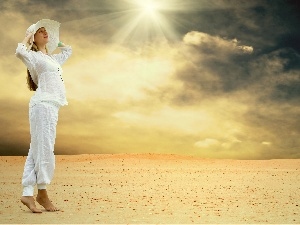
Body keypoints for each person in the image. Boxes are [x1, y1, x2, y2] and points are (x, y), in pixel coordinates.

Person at [15, 19, 72, 213]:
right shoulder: (34, 57)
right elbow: (19, 51)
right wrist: (27, 37)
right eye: (40, 32)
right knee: (45, 148)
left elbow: (68, 51)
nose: (45, 33)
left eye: (45, 30)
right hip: (42, 106)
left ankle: (27, 192)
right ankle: (42, 191)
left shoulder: (51, 59)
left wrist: (57, 42)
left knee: (37, 148)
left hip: (51, 107)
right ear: (33, 37)